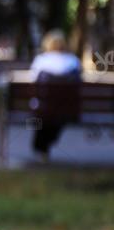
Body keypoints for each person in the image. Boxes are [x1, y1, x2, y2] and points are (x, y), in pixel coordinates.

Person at [29, 29, 82, 161]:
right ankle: (45, 145)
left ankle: (41, 147)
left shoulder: (41, 60)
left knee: (46, 114)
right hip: (67, 108)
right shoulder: (73, 61)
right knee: (56, 115)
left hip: (44, 108)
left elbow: (33, 80)